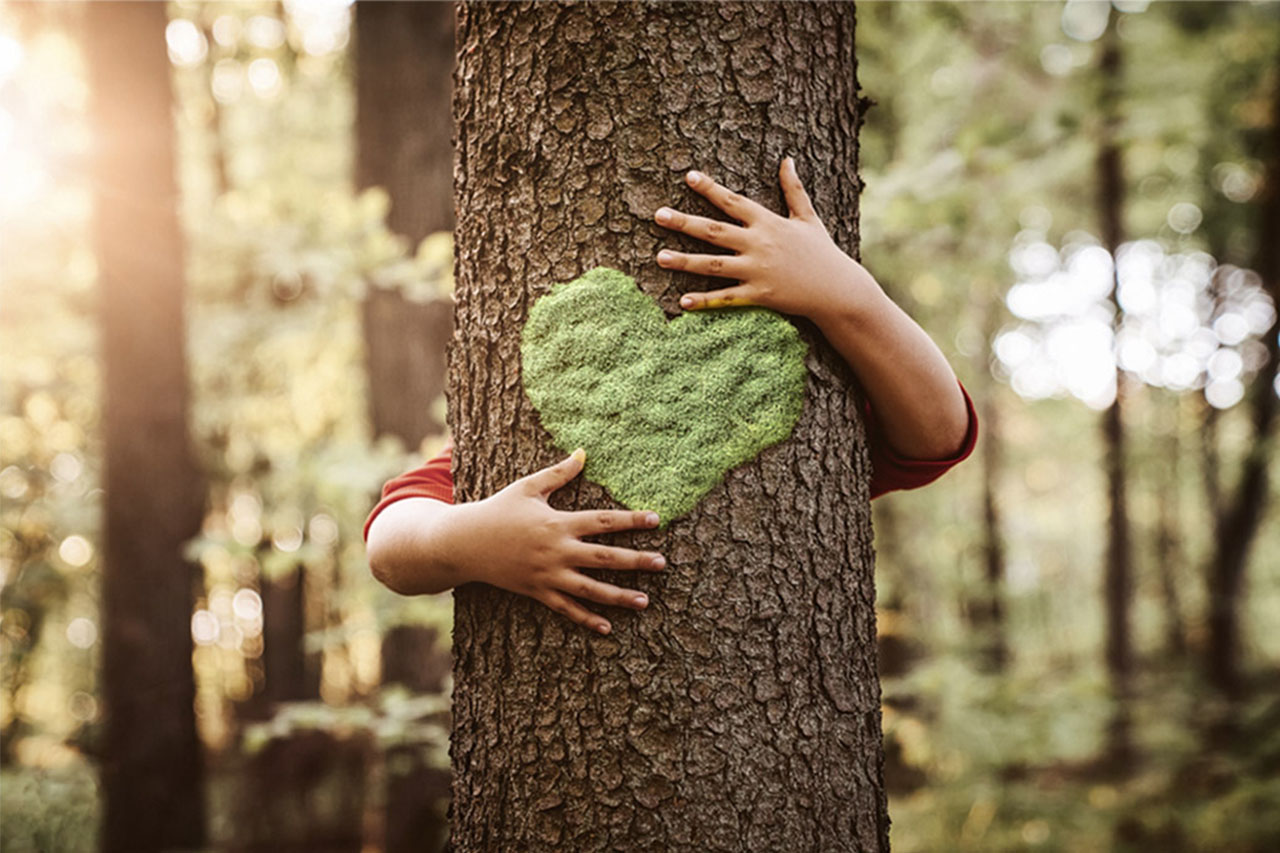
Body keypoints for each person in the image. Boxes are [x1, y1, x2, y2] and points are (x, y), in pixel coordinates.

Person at [364, 158, 977, 635]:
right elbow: (392, 543)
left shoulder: (820, 402)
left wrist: (844, 293)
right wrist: (470, 540)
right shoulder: (527, 430)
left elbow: (939, 434)